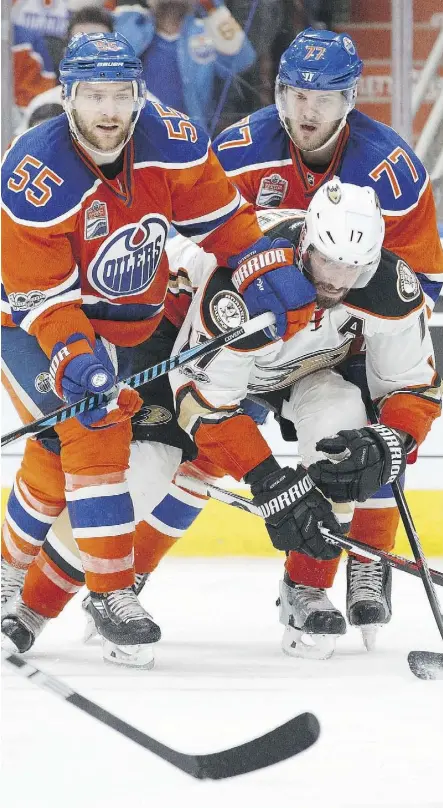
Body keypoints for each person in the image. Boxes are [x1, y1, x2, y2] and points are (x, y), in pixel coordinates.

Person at [1, 31, 314, 666]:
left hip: (129, 330)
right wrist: (76, 360)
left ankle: (15, 578)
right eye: (94, 96)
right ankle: (110, 595)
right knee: (93, 432)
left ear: (140, 95)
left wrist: (262, 266)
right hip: (30, 325)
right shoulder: (33, 176)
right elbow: (44, 301)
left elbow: (225, 224)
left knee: (57, 443)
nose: (109, 110)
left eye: (121, 94)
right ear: (68, 98)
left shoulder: (171, 143)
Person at [212, 27, 443, 642]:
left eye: (324, 95)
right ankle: (121, 583)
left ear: (350, 98)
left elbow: (422, 280)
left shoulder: (390, 168)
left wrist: (358, 317)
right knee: (185, 442)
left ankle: (351, 570)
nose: (306, 109)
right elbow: (198, 248)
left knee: (364, 439)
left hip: (343, 340)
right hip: (251, 332)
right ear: (278, 90)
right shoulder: (235, 151)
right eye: (295, 92)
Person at [167, 181, 441, 658]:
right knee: (150, 466)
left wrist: (391, 442)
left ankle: (306, 587)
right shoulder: (242, 284)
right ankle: (115, 587)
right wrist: (267, 477)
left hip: (311, 371)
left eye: (354, 268)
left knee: (345, 427)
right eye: (328, 263)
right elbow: (201, 403)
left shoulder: (385, 285)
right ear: (305, 244)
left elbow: (413, 384)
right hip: (200, 348)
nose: (337, 281)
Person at [113, 0, 256, 129]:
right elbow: (95, 23)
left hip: (187, 137)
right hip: (135, 133)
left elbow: (242, 59)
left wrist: (212, 6)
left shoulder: (205, 32)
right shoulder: (129, 21)